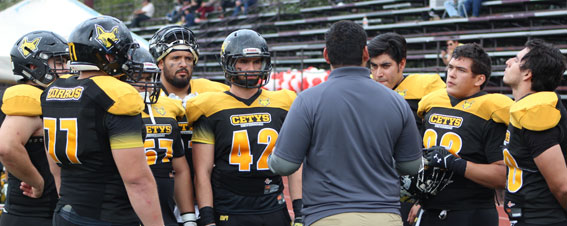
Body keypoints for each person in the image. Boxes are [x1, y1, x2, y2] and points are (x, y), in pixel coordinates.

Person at [269, 20, 423, 226]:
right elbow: (411, 166)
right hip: (385, 215)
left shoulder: (307, 100)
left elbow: (284, 164)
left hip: (327, 216)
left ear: (326, 55)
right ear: (366, 54)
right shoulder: (396, 101)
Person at [40, 16, 163, 225]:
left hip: (66, 211)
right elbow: (137, 180)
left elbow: (55, 165)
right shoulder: (115, 95)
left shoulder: (54, 91)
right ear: (107, 56)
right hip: (108, 215)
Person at [186, 29, 303, 226]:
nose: (252, 68)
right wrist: (207, 219)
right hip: (230, 209)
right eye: (244, 62)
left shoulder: (283, 102)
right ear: (229, 63)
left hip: (273, 206)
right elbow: (202, 172)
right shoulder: (209, 107)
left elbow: (294, 165)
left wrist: (299, 212)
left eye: (257, 61)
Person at [411, 43, 513, 226]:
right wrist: (418, 200)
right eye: (450, 67)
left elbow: (502, 176)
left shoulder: (489, 110)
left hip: (471, 213)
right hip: (429, 209)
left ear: (479, 79)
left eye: (461, 70)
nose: (451, 74)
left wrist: (455, 163)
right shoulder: (432, 103)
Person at [148, 25, 228, 224]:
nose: (183, 64)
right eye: (175, 58)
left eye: (188, 58)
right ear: (160, 62)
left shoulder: (213, 91)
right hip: (164, 194)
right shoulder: (147, 96)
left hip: (210, 193)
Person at [367, 32, 445, 226]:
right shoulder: (365, 87)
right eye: (374, 66)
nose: (378, 73)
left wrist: (423, 198)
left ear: (401, 64)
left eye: (386, 66)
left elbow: (437, 146)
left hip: (408, 188)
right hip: (371, 185)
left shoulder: (425, 89)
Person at [0, 30, 69, 225]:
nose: (66, 67)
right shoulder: (28, 95)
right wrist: (37, 182)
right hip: (31, 214)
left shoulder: (50, 97)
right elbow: (6, 147)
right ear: (33, 66)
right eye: (59, 61)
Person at [124, 48, 197, 226]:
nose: (145, 84)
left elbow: (180, 169)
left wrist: (188, 217)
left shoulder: (169, 107)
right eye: (137, 77)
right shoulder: (112, 108)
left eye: (148, 78)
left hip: (164, 203)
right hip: (124, 204)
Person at [501, 39, 567, 225]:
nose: (508, 62)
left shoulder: (535, 111)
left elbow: (562, 186)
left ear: (528, 73)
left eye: (516, 59)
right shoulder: (525, 108)